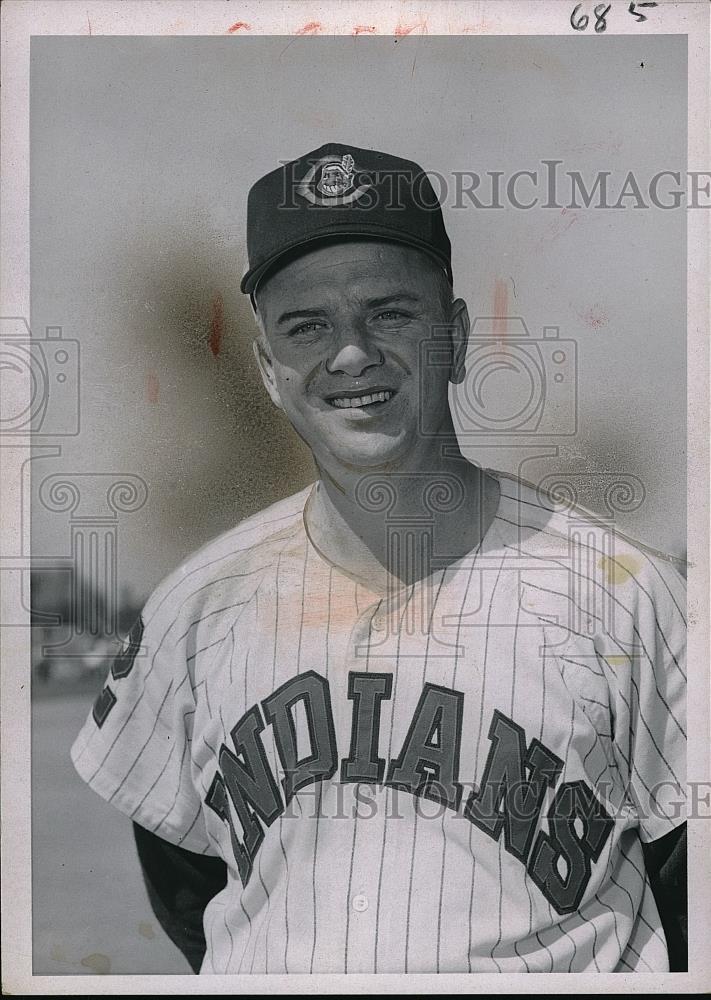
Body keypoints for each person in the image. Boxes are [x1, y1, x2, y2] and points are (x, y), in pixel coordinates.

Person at [71, 143, 687, 974]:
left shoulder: (628, 596)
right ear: (266, 369)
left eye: (390, 312)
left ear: (458, 337)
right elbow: (192, 894)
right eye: (306, 326)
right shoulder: (197, 606)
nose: (351, 353)